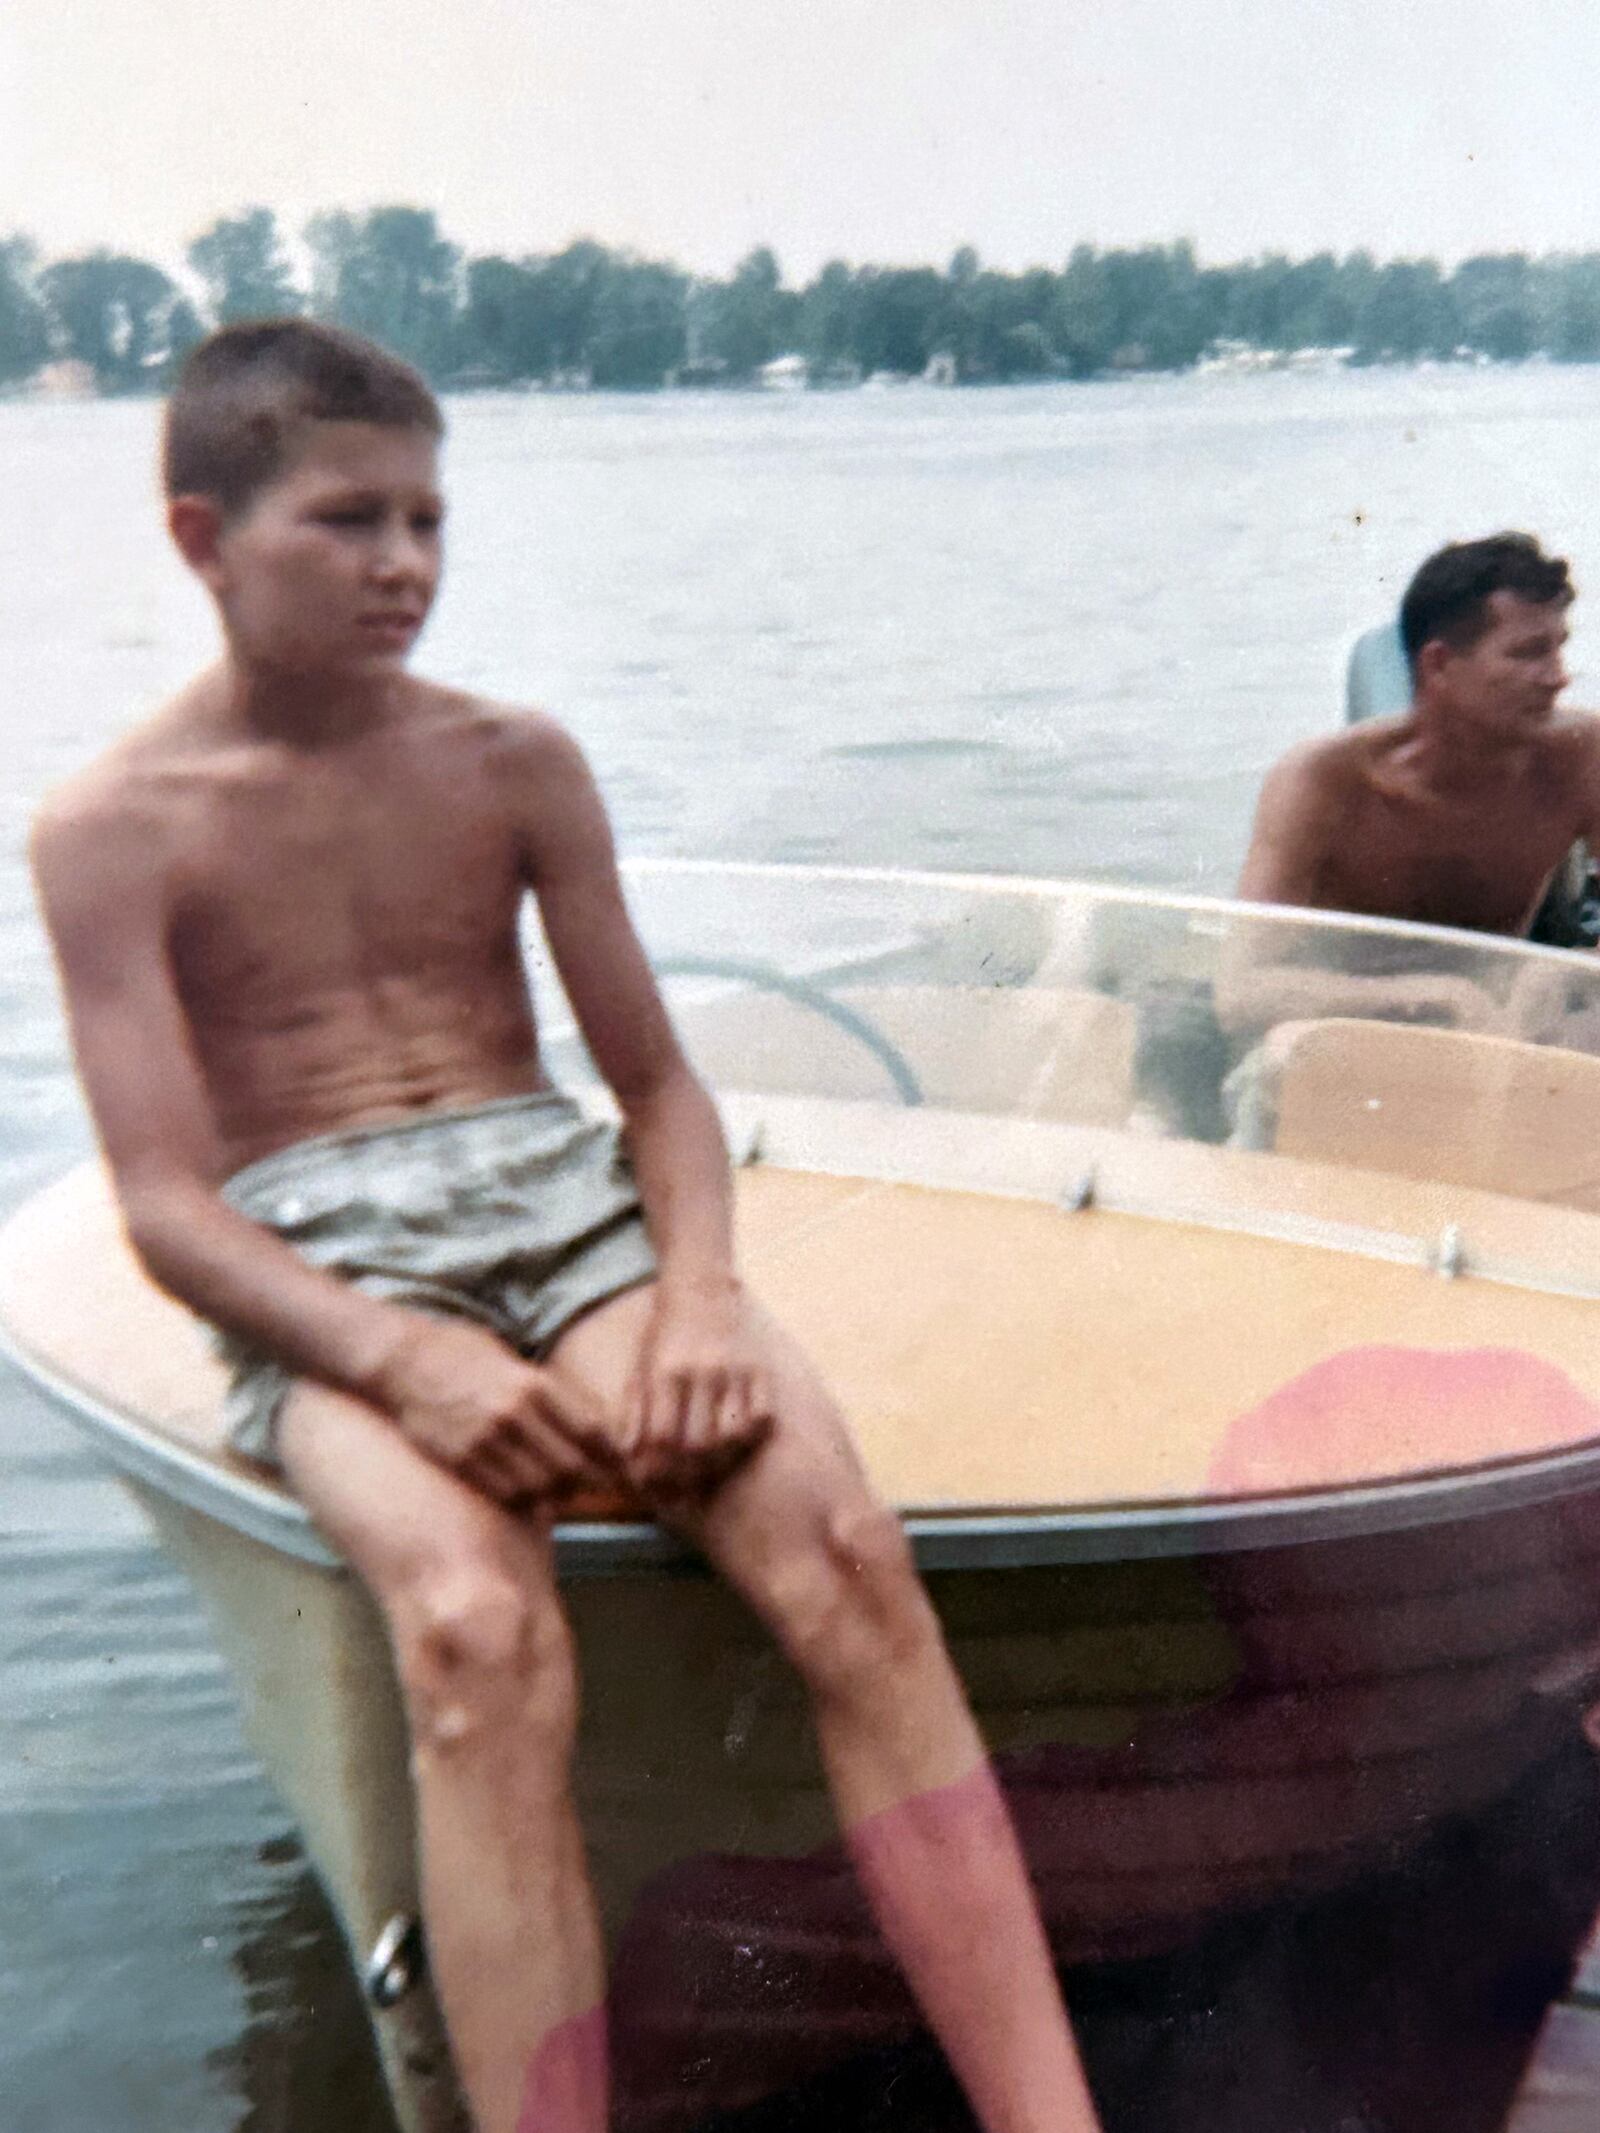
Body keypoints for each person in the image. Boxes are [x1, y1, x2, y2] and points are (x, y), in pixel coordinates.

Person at [29, 320, 1101, 2133]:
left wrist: (698, 1297)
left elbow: (665, 1094)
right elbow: (165, 1206)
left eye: (429, 521)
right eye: (348, 522)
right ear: (201, 539)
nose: (405, 567)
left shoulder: (513, 759)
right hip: (321, 1265)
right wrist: (399, 1356)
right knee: (471, 1629)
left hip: (563, 1208)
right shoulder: (110, 829)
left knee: (841, 1553)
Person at [1223, 533, 1600, 1043]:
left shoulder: (1581, 759)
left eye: (1559, 648)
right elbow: (1242, 992)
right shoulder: (1323, 779)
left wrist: (1563, 971)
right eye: (1529, 653)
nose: (1557, 678)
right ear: (1438, 664)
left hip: (1502, 1031)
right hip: (1339, 1032)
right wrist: (1431, 996)